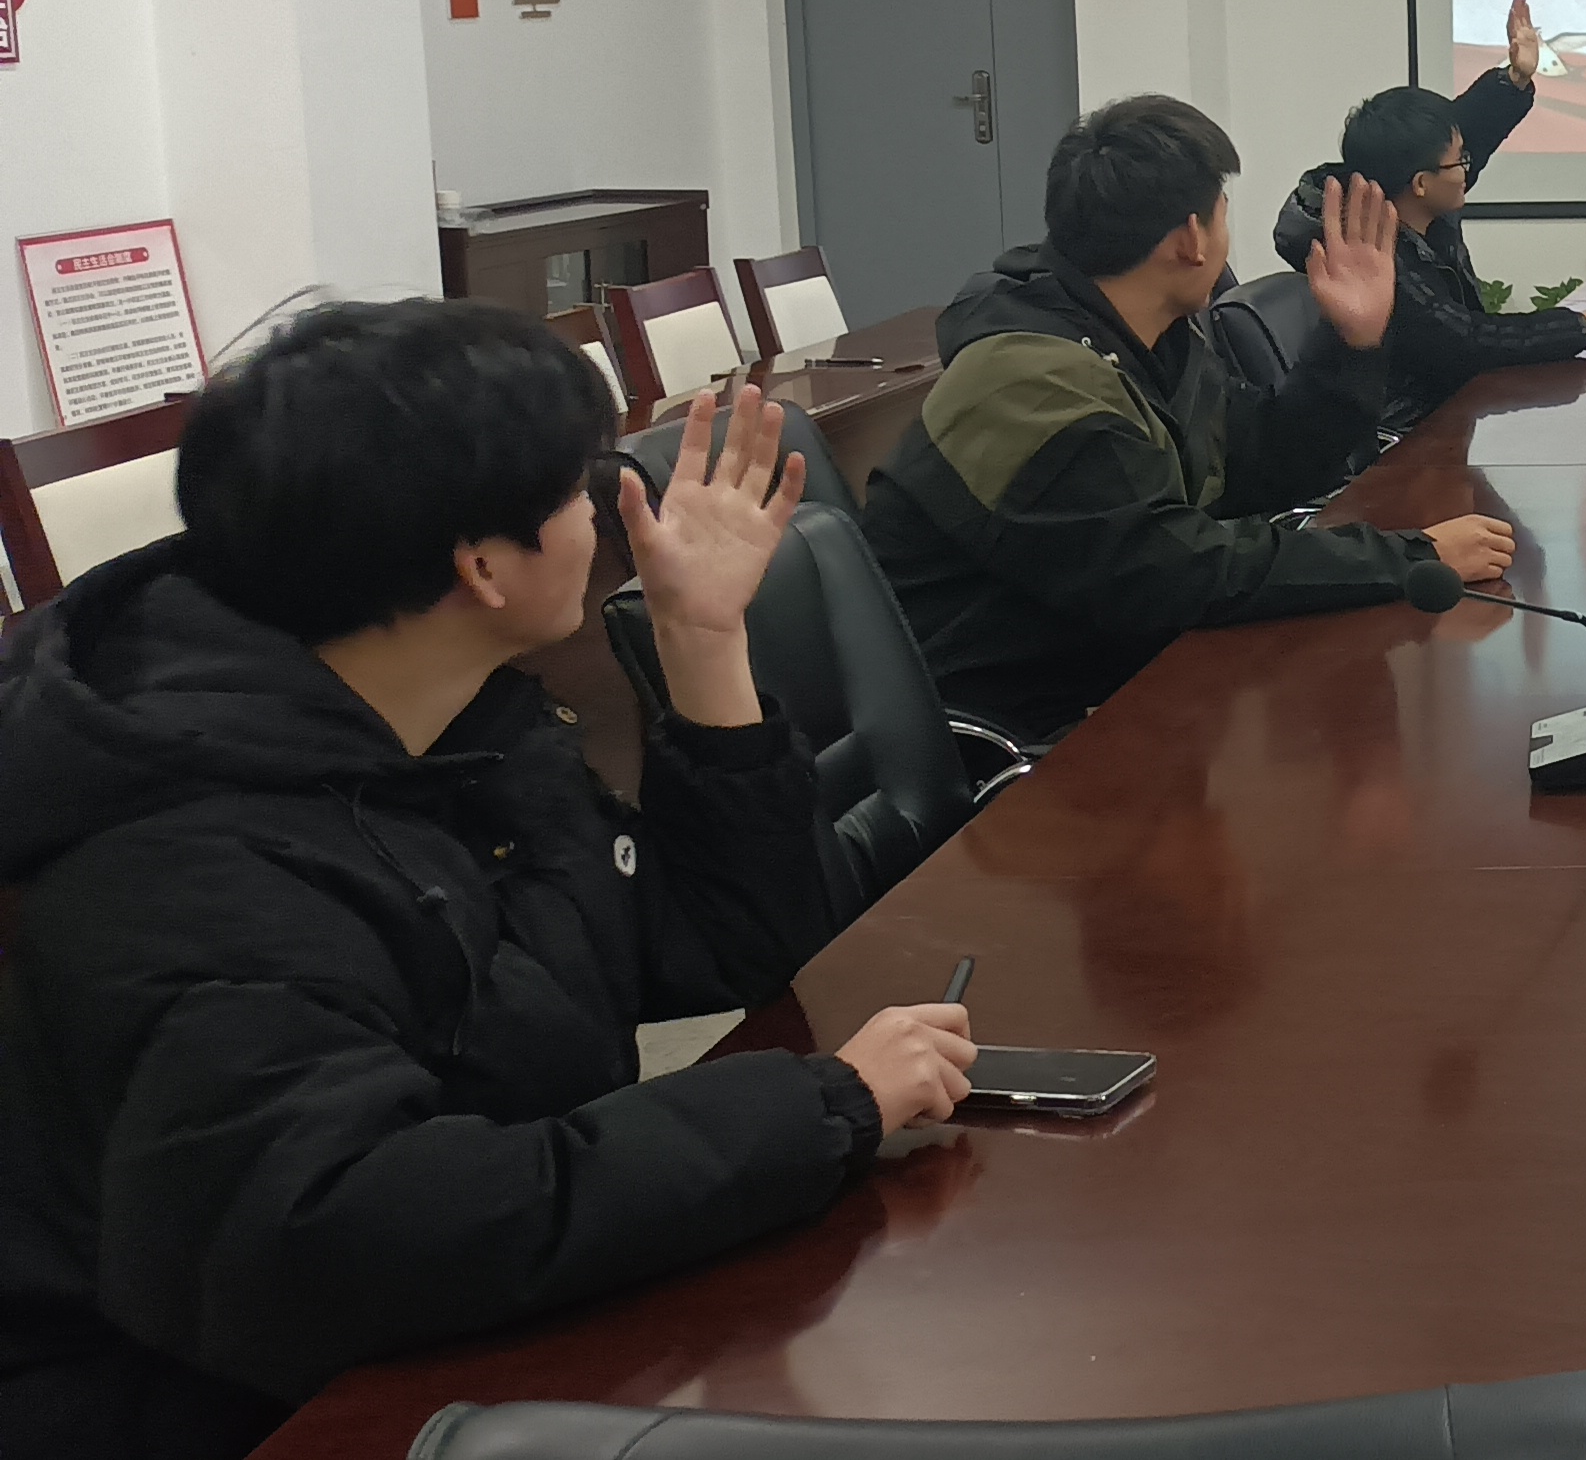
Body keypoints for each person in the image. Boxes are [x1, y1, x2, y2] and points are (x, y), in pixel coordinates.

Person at [0, 305, 977, 1459]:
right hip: (231, 1408)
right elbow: (344, 1234)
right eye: (582, 487)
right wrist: (815, 1109)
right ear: (481, 566)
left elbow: (734, 948)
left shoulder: (453, 723)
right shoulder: (188, 860)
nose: (610, 512)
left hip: (458, 1336)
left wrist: (702, 637)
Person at [863, 94, 1517, 745]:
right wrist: (1413, 557)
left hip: (1121, 674)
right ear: (1191, 238)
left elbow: (1266, 460)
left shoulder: (1149, 339)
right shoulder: (1030, 382)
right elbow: (1175, 573)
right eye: (1223, 214)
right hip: (1025, 732)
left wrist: (1353, 341)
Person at [1293, 0, 1586, 430]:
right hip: (1405, 437)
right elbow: (1462, 342)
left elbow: (1465, 133)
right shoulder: (1374, 259)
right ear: (1421, 183)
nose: (1467, 169)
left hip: (1450, 413)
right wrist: (1576, 328)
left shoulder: (1414, 203)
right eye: (1461, 162)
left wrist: (1515, 78)